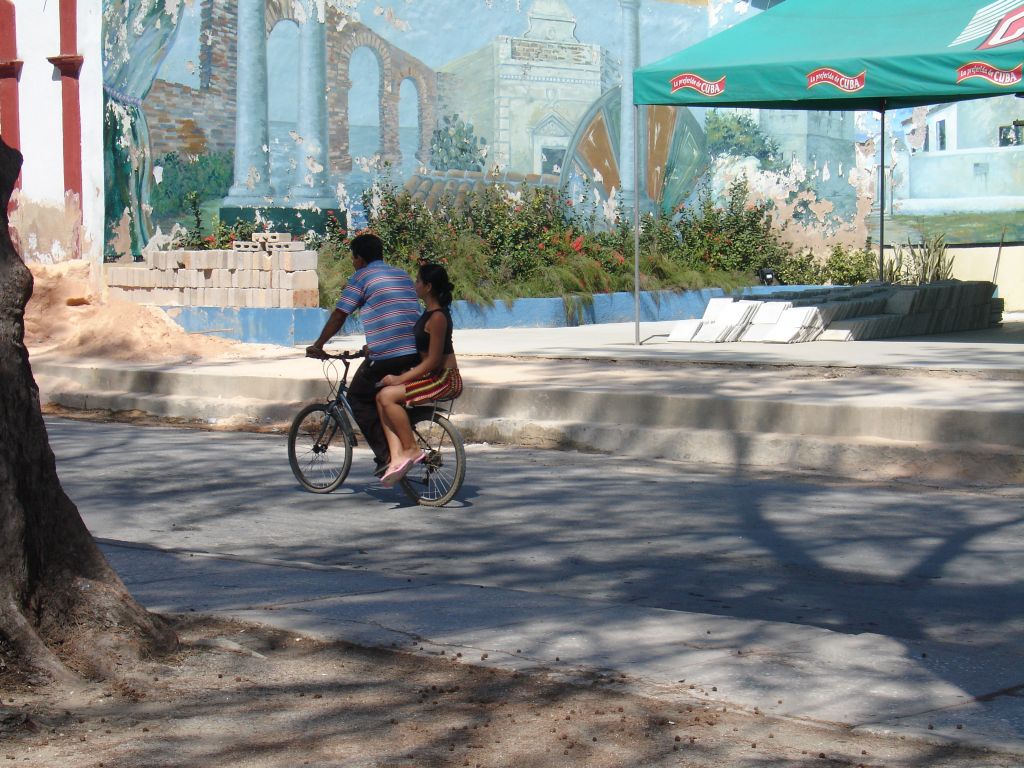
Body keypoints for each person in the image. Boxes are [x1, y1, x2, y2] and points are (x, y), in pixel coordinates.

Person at [305, 232, 421, 476]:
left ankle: (387, 456)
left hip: (388, 353)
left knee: (358, 398)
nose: (352, 262)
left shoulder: (361, 277)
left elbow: (340, 314)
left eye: (353, 257)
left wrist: (318, 345)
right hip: (415, 350)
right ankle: (399, 443)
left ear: (358, 258)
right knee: (381, 394)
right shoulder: (401, 274)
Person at [374, 263, 462, 487]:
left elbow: (433, 360)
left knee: (387, 396)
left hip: (444, 378)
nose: (415, 285)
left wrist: (399, 379)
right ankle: (397, 457)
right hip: (431, 375)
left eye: (418, 281)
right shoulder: (428, 313)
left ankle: (412, 449)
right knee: (380, 396)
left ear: (428, 286)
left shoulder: (438, 318)